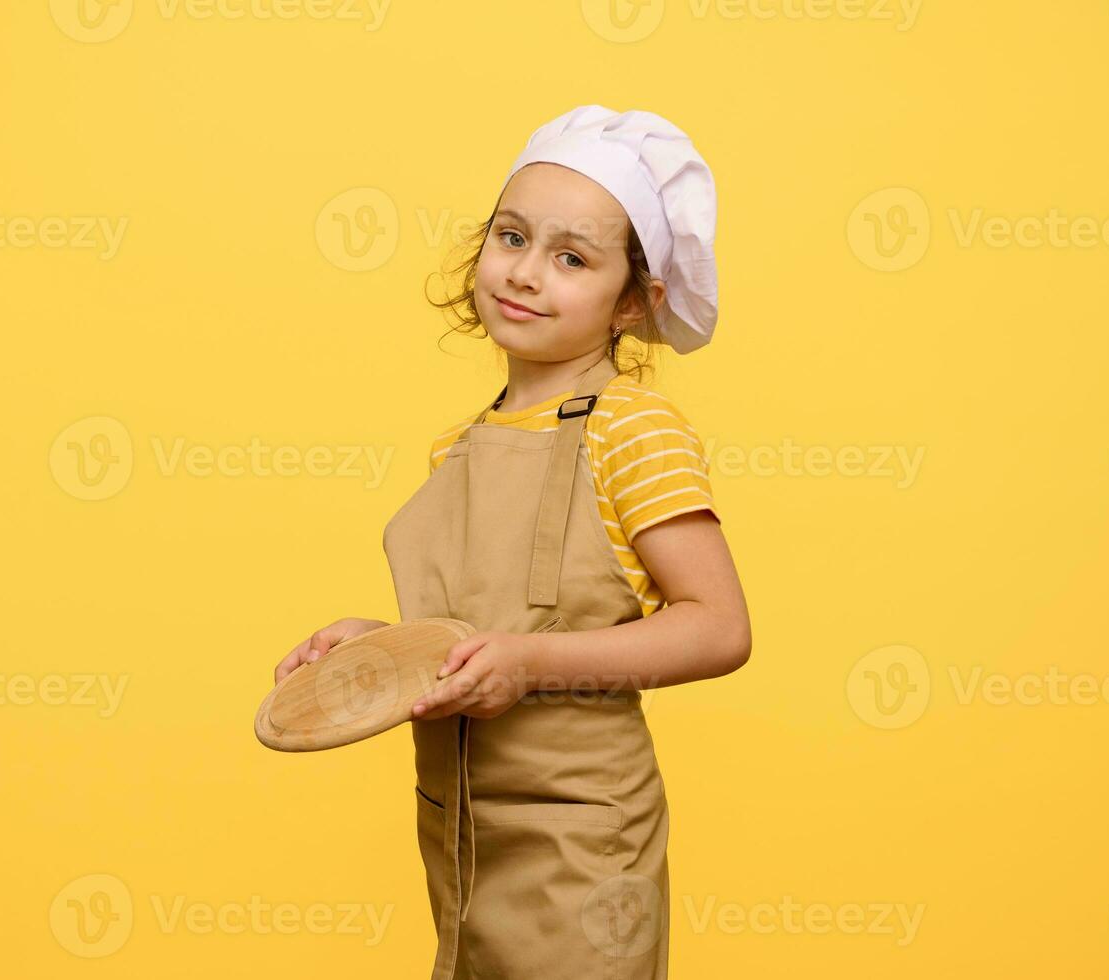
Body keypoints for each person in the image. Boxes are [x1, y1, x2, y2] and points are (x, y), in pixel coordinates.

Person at [274, 105, 752, 979]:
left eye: (571, 258)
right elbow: (477, 637)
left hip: (580, 845)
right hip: (461, 836)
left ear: (632, 304)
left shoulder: (631, 428)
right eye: (511, 237)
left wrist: (531, 666)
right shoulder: (457, 446)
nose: (527, 273)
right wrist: (379, 644)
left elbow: (718, 628)